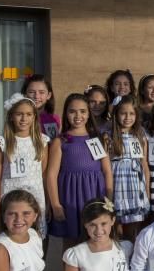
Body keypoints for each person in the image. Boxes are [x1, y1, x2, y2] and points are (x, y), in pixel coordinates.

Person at [47, 93, 112, 251]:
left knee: (95, 239)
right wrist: (55, 204)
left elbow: (107, 171)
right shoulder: (60, 141)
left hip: (94, 194)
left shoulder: (97, 139)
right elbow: (51, 175)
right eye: (72, 111)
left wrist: (109, 201)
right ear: (66, 113)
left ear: (89, 114)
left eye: (83, 111)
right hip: (70, 197)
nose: (78, 116)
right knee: (71, 244)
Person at [0, 93, 49, 236]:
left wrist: (48, 203)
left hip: (35, 197)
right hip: (10, 197)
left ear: (34, 117)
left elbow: (44, 173)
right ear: (11, 116)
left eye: (29, 114)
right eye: (19, 114)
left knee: (36, 236)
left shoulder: (42, 141)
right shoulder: (2, 142)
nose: (24, 119)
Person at [109, 99, 150, 240]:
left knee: (134, 232)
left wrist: (147, 192)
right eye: (123, 113)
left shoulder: (140, 135)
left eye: (131, 113)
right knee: (116, 230)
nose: (127, 117)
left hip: (136, 188)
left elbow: (144, 164)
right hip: (117, 187)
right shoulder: (109, 136)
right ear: (116, 115)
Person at [22, 74, 60, 139]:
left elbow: (54, 143)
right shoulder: (19, 118)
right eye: (32, 92)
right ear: (25, 95)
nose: (36, 96)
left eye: (41, 92)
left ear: (49, 95)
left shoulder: (54, 119)